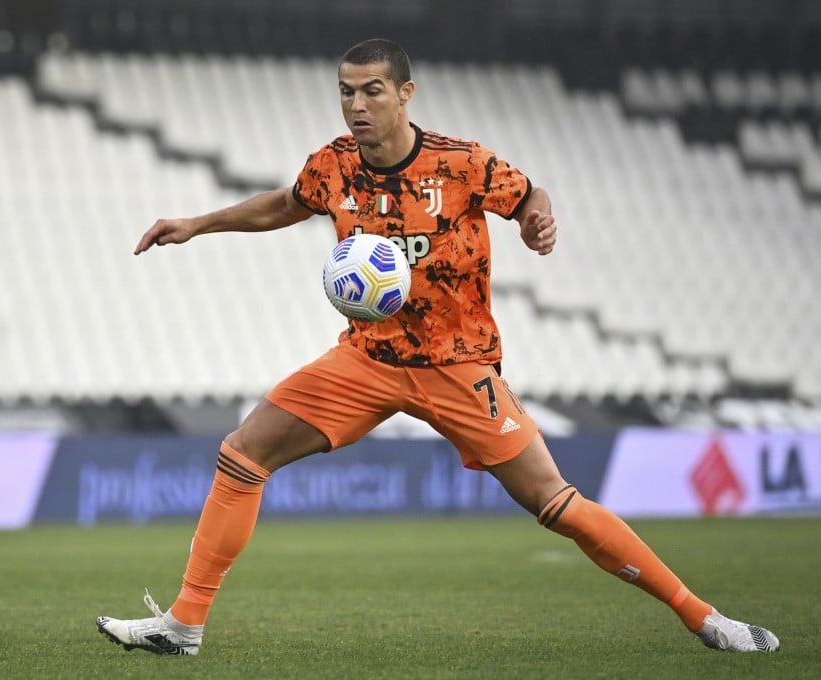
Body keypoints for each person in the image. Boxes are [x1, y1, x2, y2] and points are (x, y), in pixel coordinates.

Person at [96, 38, 778, 656]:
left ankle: (703, 617)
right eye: (346, 91)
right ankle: (183, 626)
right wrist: (197, 224)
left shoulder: (461, 163)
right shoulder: (333, 165)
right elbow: (286, 205)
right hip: (368, 358)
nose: (356, 105)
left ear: (404, 94)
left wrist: (537, 217)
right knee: (242, 453)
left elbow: (527, 192)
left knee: (555, 502)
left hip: (459, 365)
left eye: (371, 91)